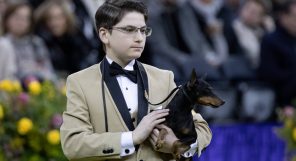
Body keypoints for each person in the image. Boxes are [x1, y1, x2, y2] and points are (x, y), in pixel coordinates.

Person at [60, 0, 212, 160]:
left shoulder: (164, 78)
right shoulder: (79, 82)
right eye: (129, 30)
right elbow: (73, 144)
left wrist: (178, 146)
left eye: (143, 30)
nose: (140, 38)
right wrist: (131, 138)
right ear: (104, 34)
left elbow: (202, 129)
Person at [0, 2, 56, 81]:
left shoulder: (36, 43)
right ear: (7, 19)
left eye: (25, 18)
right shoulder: (3, 44)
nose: (20, 22)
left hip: (38, 88)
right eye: (17, 17)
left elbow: (49, 73)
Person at [257, 0, 296, 106]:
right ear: (283, 16)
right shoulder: (270, 40)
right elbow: (268, 73)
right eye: (294, 17)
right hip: (279, 97)